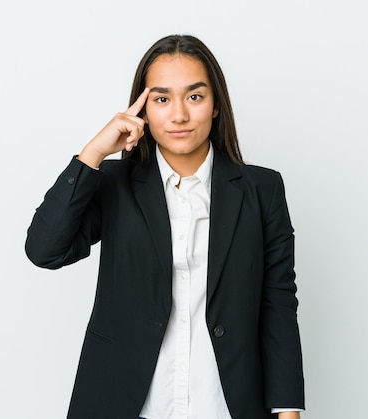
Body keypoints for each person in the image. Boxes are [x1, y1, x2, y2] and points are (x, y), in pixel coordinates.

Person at [25, 34, 304, 419]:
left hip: (224, 404)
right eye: (161, 99)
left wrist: (288, 410)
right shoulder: (114, 183)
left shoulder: (262, 190)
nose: (178, 115)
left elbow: (278, 303)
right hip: (130, 403)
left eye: (194, 96)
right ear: (141, 109)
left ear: (216, 105)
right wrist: (92, 154)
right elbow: (44, 250)